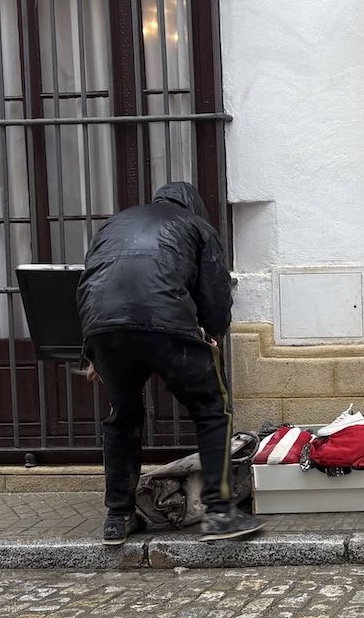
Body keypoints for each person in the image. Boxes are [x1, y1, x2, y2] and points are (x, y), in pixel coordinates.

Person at [77, 181, 264, 545]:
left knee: (123, 417)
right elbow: (215, 291)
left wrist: (90, 351)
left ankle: (118, 516)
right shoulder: (196, 227)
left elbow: (88, 284)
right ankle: (220, 513)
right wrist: (213, 333)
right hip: (165, 322)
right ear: (193, 207)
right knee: (212, 409)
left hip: (104, 328)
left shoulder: (114, 225)